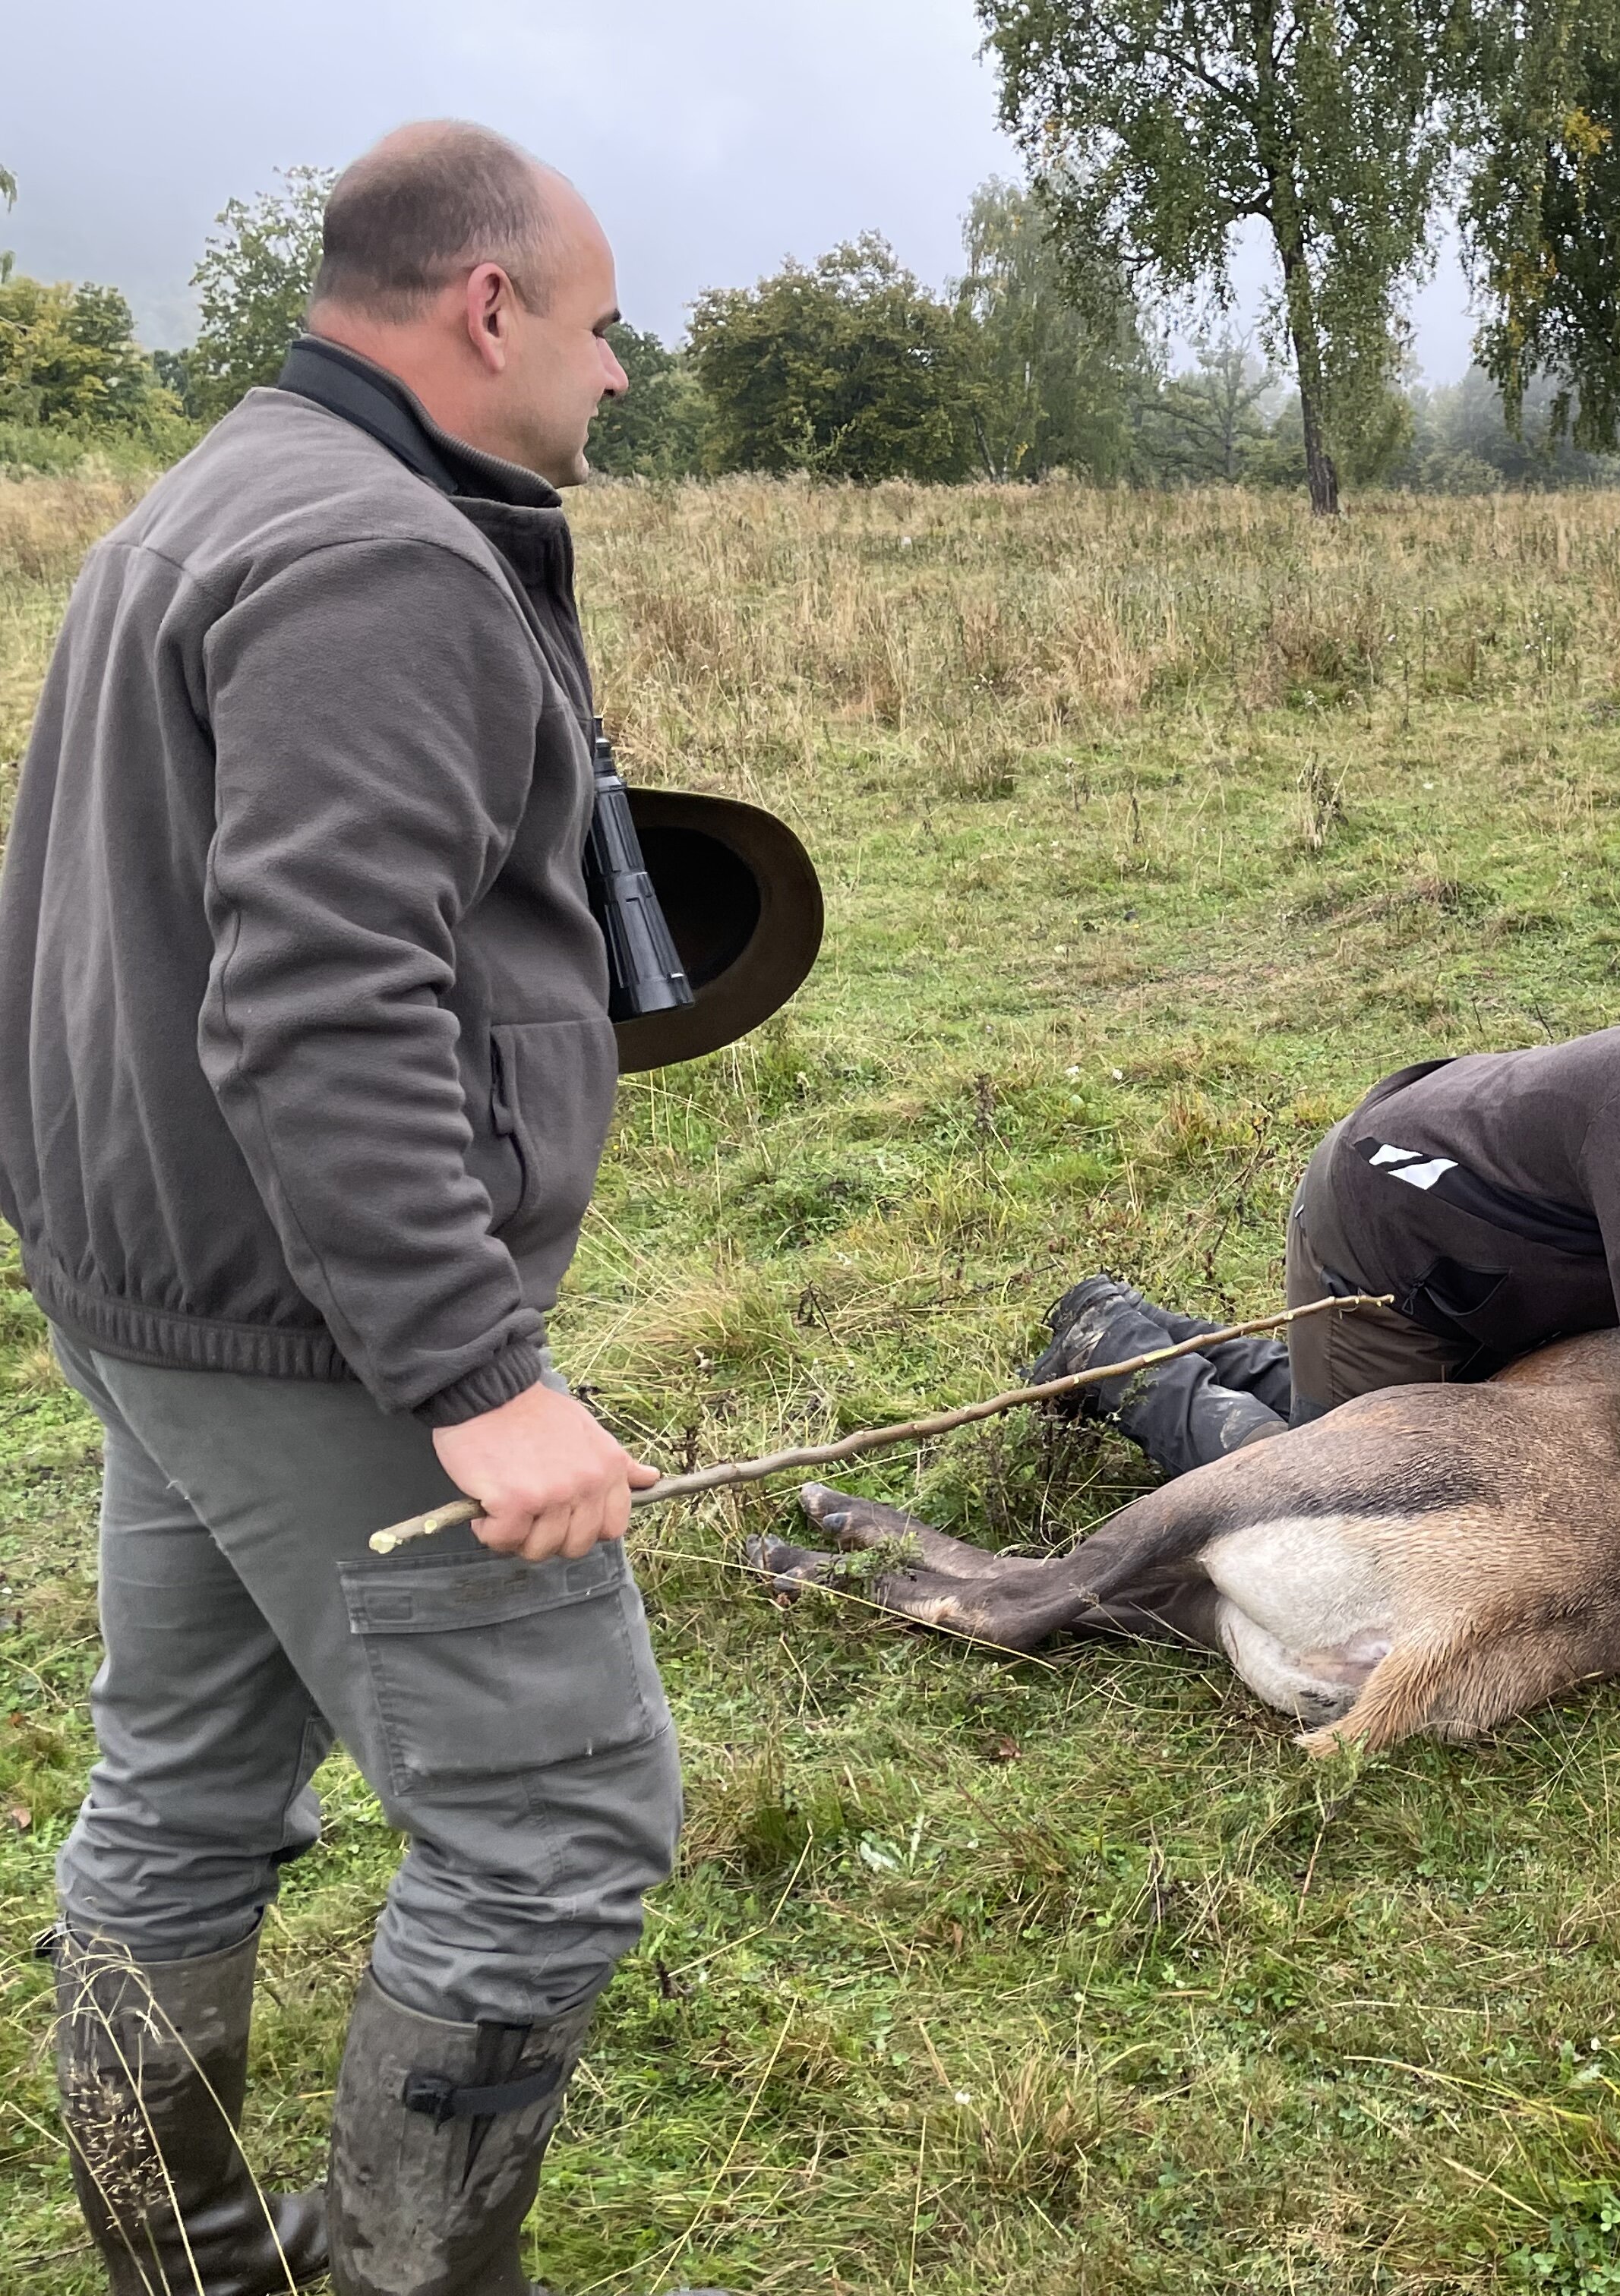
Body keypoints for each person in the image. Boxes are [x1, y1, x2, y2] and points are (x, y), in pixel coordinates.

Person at [0, 123, 722, 2296]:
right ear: (486, 306)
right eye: (598, 333)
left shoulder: (214, 492)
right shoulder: (382, 556)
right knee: (558, 1828)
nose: (615, 379)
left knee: (181, 1801)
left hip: (162, 1288)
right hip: (323, 1331)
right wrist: (474, 1371)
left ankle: (186, 2271)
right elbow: (320, 994)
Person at [1033, 962, 1620, 1724]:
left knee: (1406, 1437)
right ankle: (1115, 1347)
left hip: (1514, 1288)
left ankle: (1167, 1335)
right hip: (1392, 1251)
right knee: (1312, 1484)